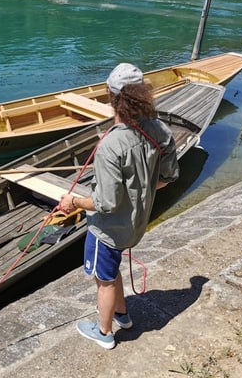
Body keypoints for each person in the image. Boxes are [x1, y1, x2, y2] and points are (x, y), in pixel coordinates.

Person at [59, 63, 179, 350]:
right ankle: (122, 315)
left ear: (111, 96)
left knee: (104, 279)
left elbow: (106, 204)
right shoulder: (160, 130)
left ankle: (104, 332)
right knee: (111, 272)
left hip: (108, 231)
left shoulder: (110, 145)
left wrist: (73, 201)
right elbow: (169, 177)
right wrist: (140, 192)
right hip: (135, 225)